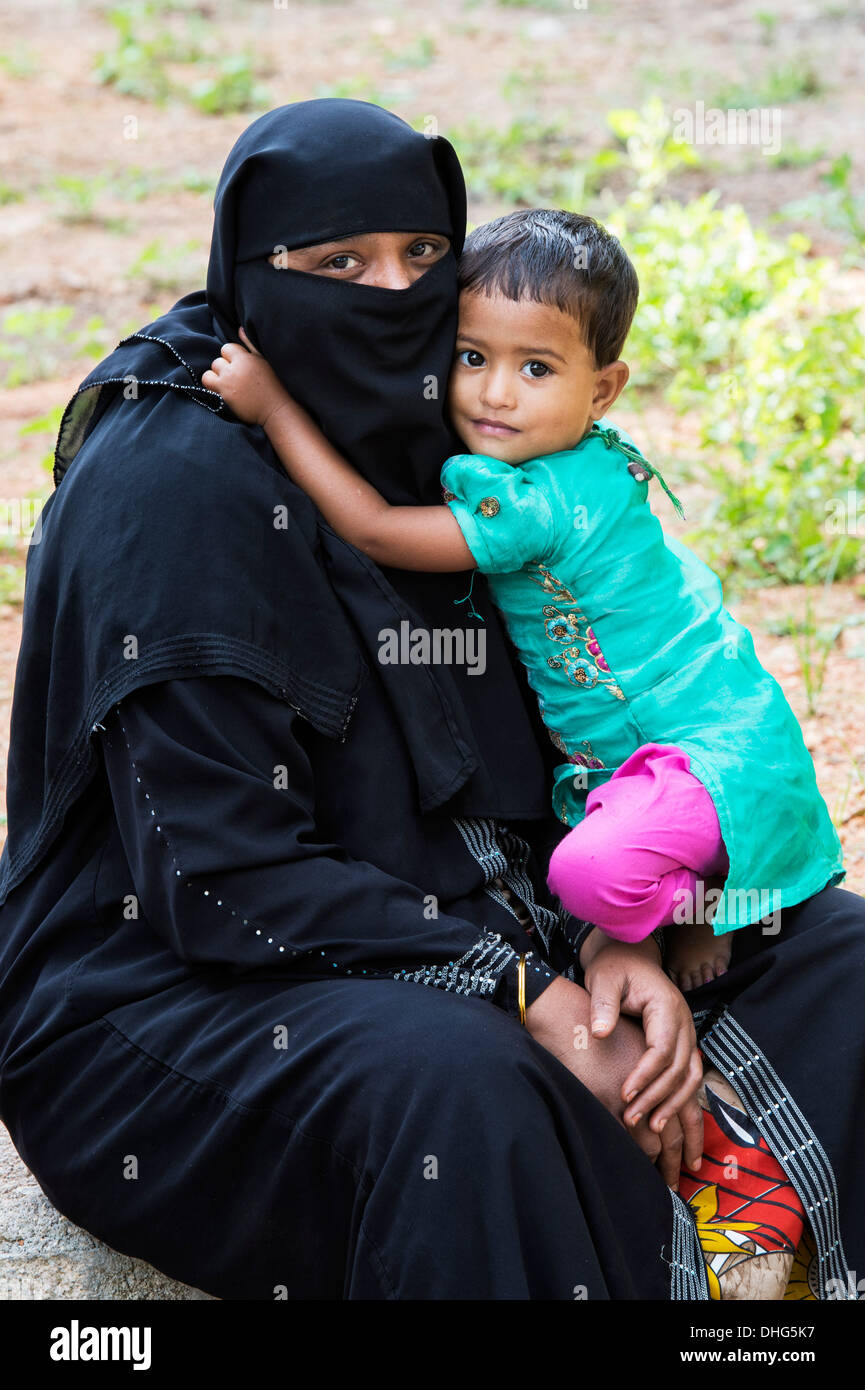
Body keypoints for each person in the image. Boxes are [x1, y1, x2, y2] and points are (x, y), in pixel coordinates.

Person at [0, 98, 862, 1302]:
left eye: (421, 259)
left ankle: (763, 1263)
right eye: (338, 264)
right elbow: (217, 876)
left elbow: (566, 733)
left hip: (490, 902)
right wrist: (536, 995)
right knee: (465, 1088)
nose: (390, 294)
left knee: (833, 953)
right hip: (178, 981)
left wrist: (625, 935)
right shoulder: (170, 492)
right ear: (251, 271)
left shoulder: (451, 431)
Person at [202, 206, 845, 993]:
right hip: (692, 734)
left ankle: (696, 905)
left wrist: (274, 408)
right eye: (471, 356)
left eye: (536, 369)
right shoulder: (579, 460)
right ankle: (666, 905)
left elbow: (372, 529)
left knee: (583, 878)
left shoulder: (534, 505)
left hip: (697, 751)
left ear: (603, 389)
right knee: (597, 867)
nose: (495, 394)